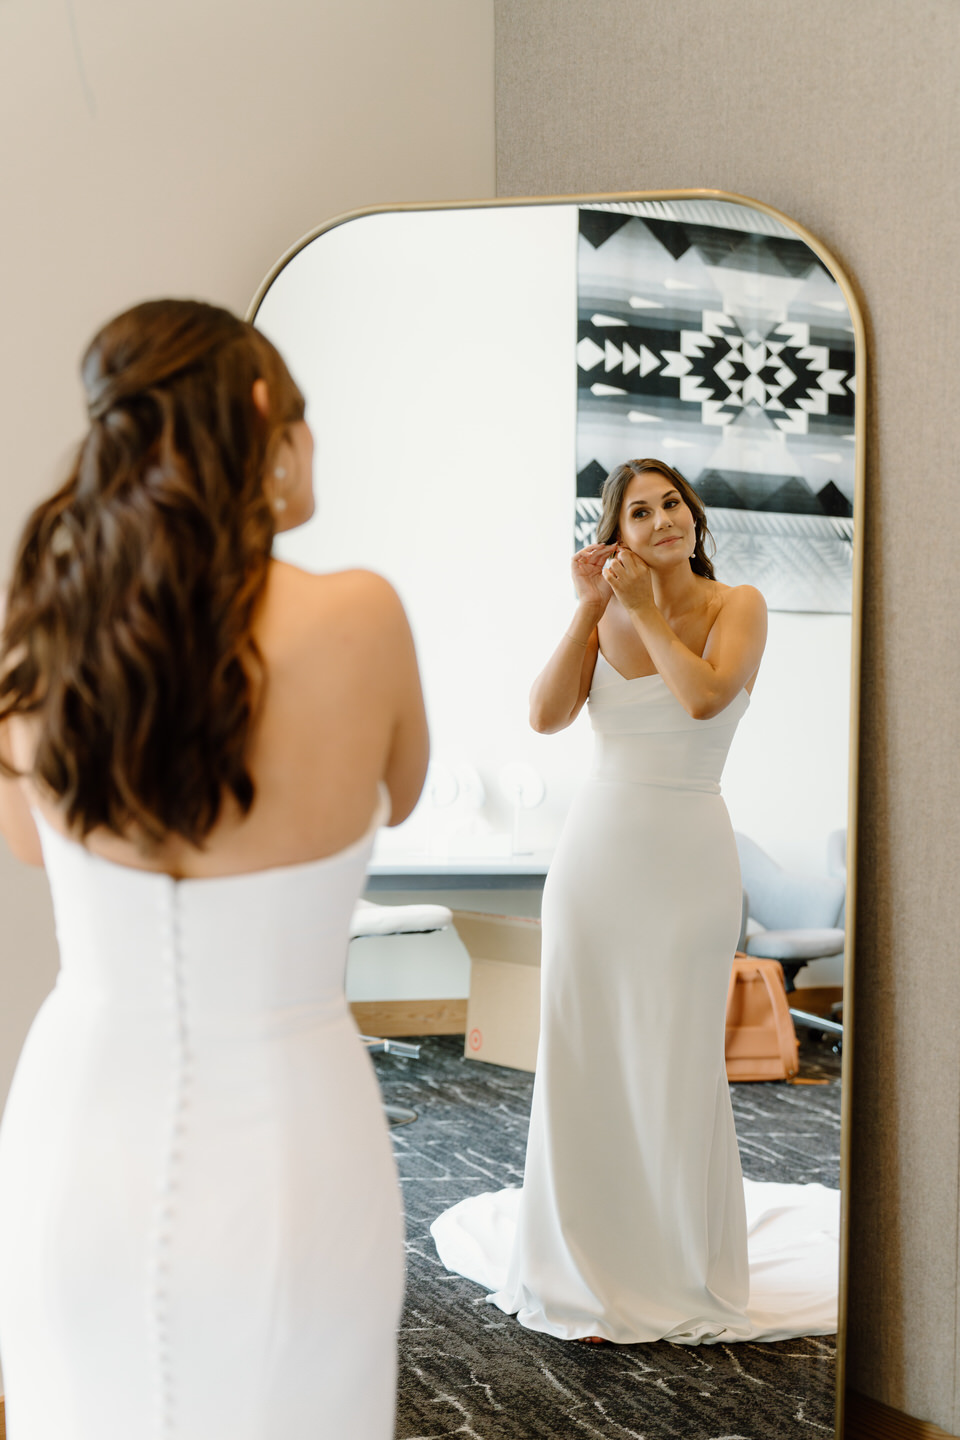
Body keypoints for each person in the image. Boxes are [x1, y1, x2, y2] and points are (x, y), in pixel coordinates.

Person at [0, 299, 428, 1438]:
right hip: (294, 1136)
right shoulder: (360, 618)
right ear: (257, 413)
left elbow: (28, 839)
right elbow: (406, 787)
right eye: (306, 414)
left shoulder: (44, 616)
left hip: (75, 1128)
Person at [430, 457, 840, 1345]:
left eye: (672, 504)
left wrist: (650, 611)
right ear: (617, 533)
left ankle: (674, 1260)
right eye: (641, 512)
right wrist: (586, 607)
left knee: (676, 1055)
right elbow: (544, 716)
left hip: (691, 855)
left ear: (693, 514)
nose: (663, 521)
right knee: (584, 1053)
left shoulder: (740, 606)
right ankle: (579, 1257)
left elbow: (702, 699)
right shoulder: (606, 611)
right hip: (596, 859)